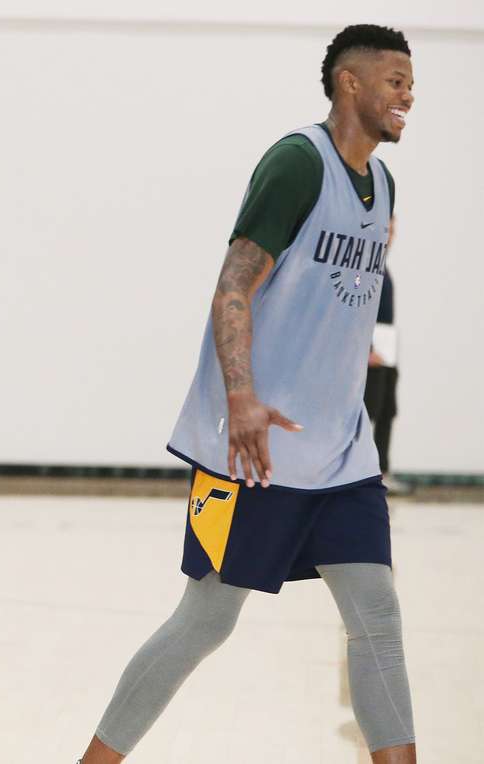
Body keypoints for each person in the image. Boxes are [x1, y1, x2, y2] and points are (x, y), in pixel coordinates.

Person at [78, 25, 417, 764]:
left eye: (410, 81)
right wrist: (241, 400)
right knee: (206, 620)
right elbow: (234, 284)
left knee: (377, 618)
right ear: (349, 84)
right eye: (394, 80)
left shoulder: (383, 183)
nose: (408, 95)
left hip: (341, 452)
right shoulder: (299, 164)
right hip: (254, 449)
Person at [365, 219, 406, 493]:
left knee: (387, 411)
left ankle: (382, 471)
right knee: (368, 412)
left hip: (387, 355)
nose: (389, 236)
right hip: (371, 357)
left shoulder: (384, 268)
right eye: (385, 229)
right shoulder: (365, 267)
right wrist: (366, 350)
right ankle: (362, 474)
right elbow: (356, 311)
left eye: (392, 230)